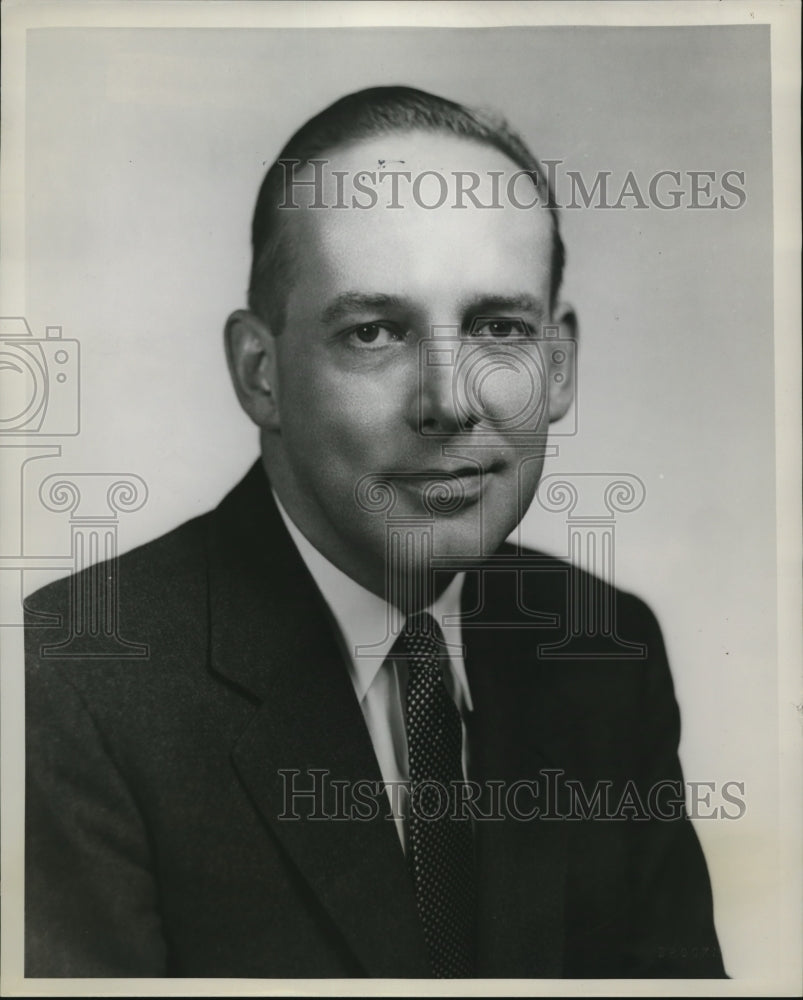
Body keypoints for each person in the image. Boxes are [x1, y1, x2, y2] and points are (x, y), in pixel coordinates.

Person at [24, 86, 726, 979]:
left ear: (556, 369)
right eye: (375, 332)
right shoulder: (72, 686)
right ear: (259, 373)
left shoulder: (601, 647)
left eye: (497, 329)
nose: (447, 402)